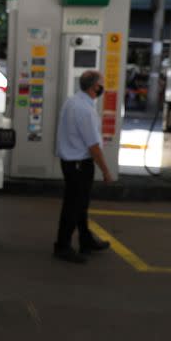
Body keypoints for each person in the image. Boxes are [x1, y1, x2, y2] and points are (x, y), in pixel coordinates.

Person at [53, 70, 113, 264]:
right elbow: (93, 146)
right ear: (95, 86)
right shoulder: (85, 110)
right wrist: (105, 170)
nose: (103, 86)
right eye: (101, 83)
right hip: (79, 164)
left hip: (71, 162)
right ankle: (62, 246)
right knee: (73, 206)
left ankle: (86, 240)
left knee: (80, 205)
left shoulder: (73, 102)